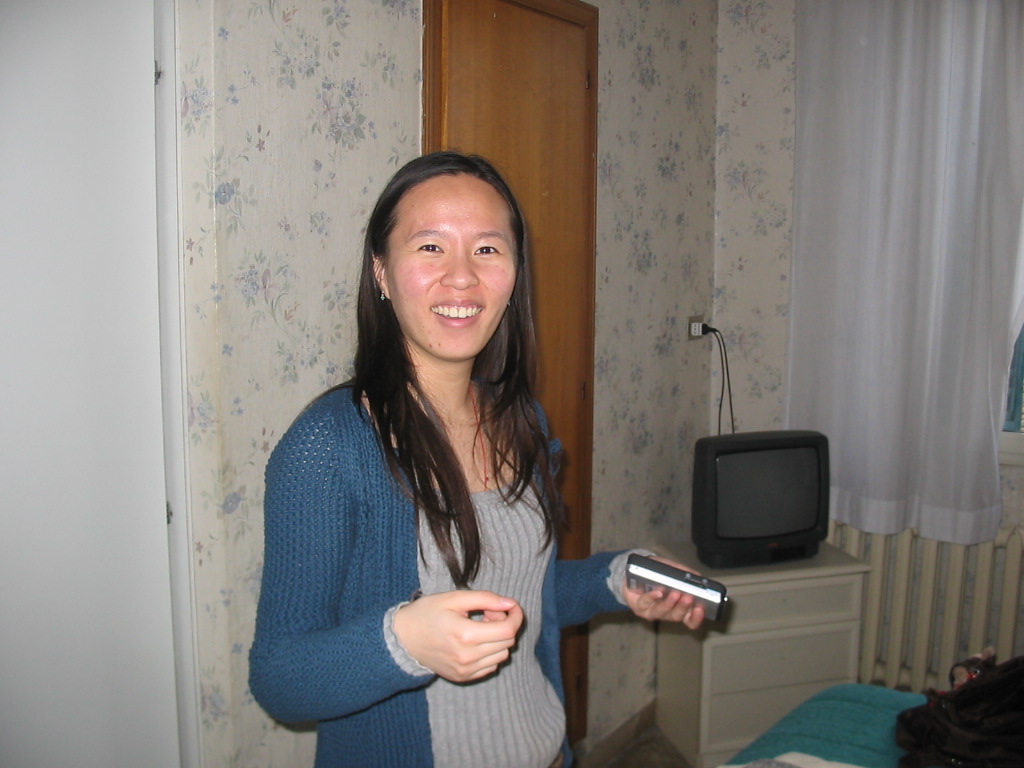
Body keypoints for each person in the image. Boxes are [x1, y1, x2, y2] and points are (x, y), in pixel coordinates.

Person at [249, 151, 706, 768]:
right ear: (381, 273)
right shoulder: (329, 447)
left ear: (515, 273)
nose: (462, 277)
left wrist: (616, 579)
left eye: (488, 249)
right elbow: (280, 678)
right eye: (431, 247)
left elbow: (517, 598)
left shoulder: (522, 421)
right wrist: (405, 641)